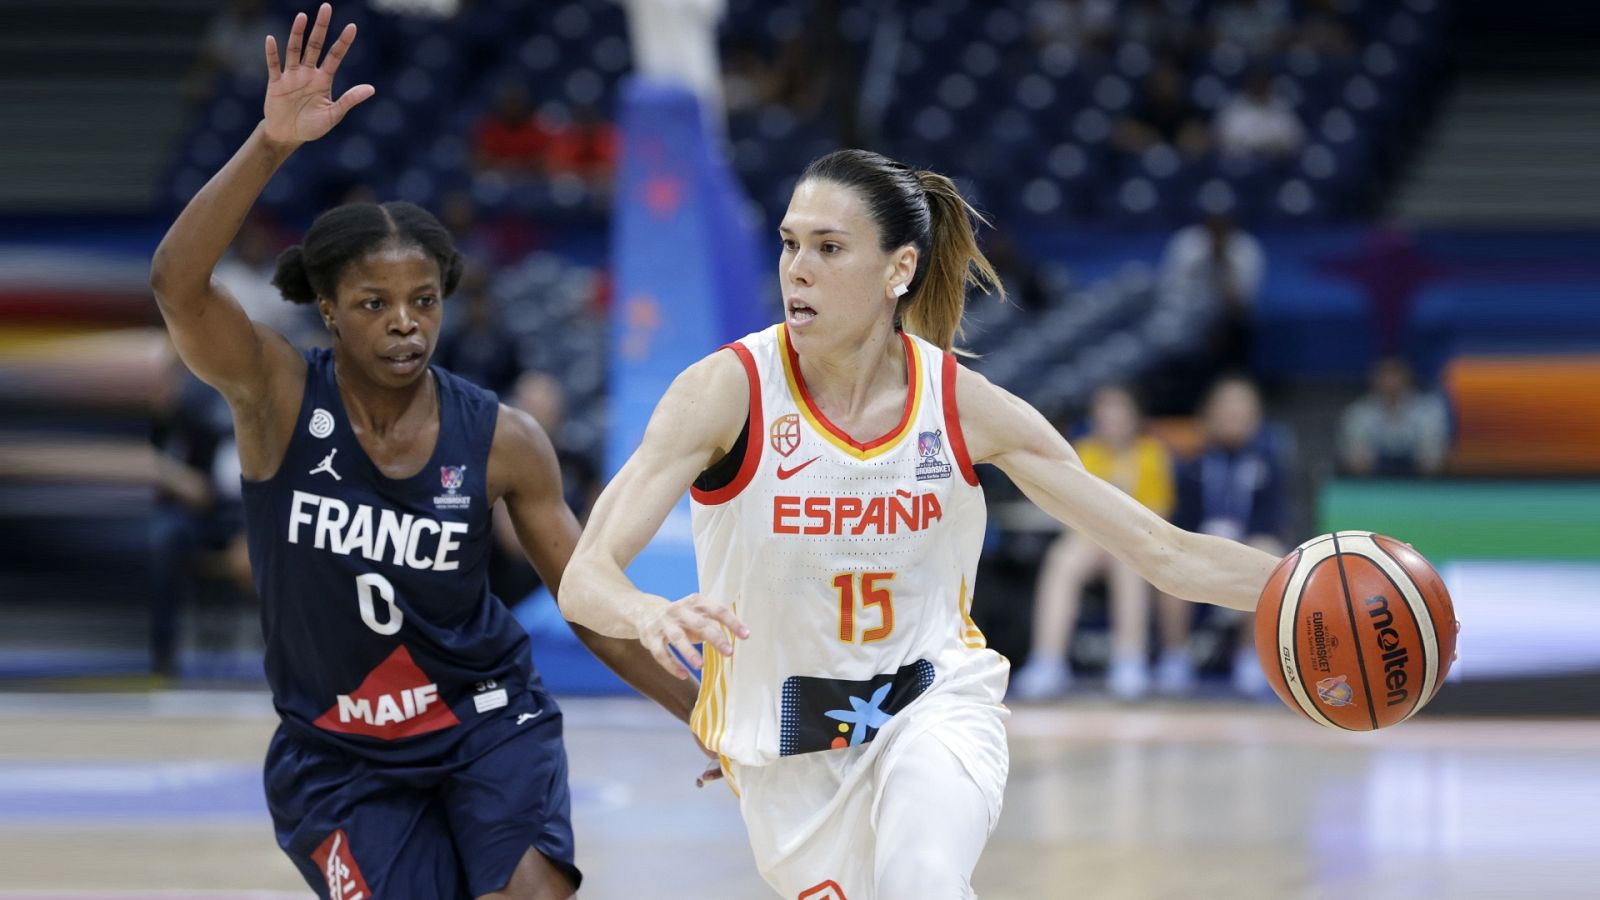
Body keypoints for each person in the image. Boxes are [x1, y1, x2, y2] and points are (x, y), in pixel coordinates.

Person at [557, 148, 1279, 898]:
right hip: (790, 748)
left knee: (921, 880)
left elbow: (1163, 551)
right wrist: (647, 613)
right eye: (790, 243)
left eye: (829, 248)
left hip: (932, 701)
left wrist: (1305, 581)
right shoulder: (725, 391)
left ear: (898, 269)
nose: (798, 269)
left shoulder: (960, 404)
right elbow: (584, 580)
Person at [147, 7, 700, 898]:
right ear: (331, 311)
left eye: (423, 301)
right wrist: (270, 144)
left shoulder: (504, 438)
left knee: (532, 891)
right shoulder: (276, 396)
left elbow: (588, 599)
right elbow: (177, 285)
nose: (405, 323)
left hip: (485, 721)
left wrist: (700, 713)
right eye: (375, 304)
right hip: (337, 750)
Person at [1010, 385, 1176, 701]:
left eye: (1119, 413)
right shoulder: (1084, 452)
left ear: (1134, 417)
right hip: (1091, 537)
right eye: (1105, 414)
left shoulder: (1151, 454)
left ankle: (1130, 659)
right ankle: (1048, 660)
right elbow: (1071, 510)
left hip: (1136, 540)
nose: (1112, 420)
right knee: (1062, 558)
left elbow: (1160, 515)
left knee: (1129, 564)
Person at [1154, 375, 1287, 697]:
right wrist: (1206, 539)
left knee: (1268, 552)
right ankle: (1174, 656)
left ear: (1255, 417)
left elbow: (1273, 521)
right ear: (1209, 415)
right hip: (1200, 547)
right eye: (1226, 407)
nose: (1233, 415)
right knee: (1168, 556)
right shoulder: (1193, 465)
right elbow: (1180, 521)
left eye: (1242, 408)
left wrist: (1237, 541)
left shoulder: (1269, 465)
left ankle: (1250, 656)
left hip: (1249, 545)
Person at [1338, 355, 1450, 477]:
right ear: (1374, 380)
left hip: (1420, 480)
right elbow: (1353, 455)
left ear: (1408, 378)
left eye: (1395, 376)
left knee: (1431, 459)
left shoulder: (1428, 410)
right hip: (1373, 479)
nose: (1390, 382)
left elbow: (1433, 455)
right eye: (1385, 376)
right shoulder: (1359, 412)